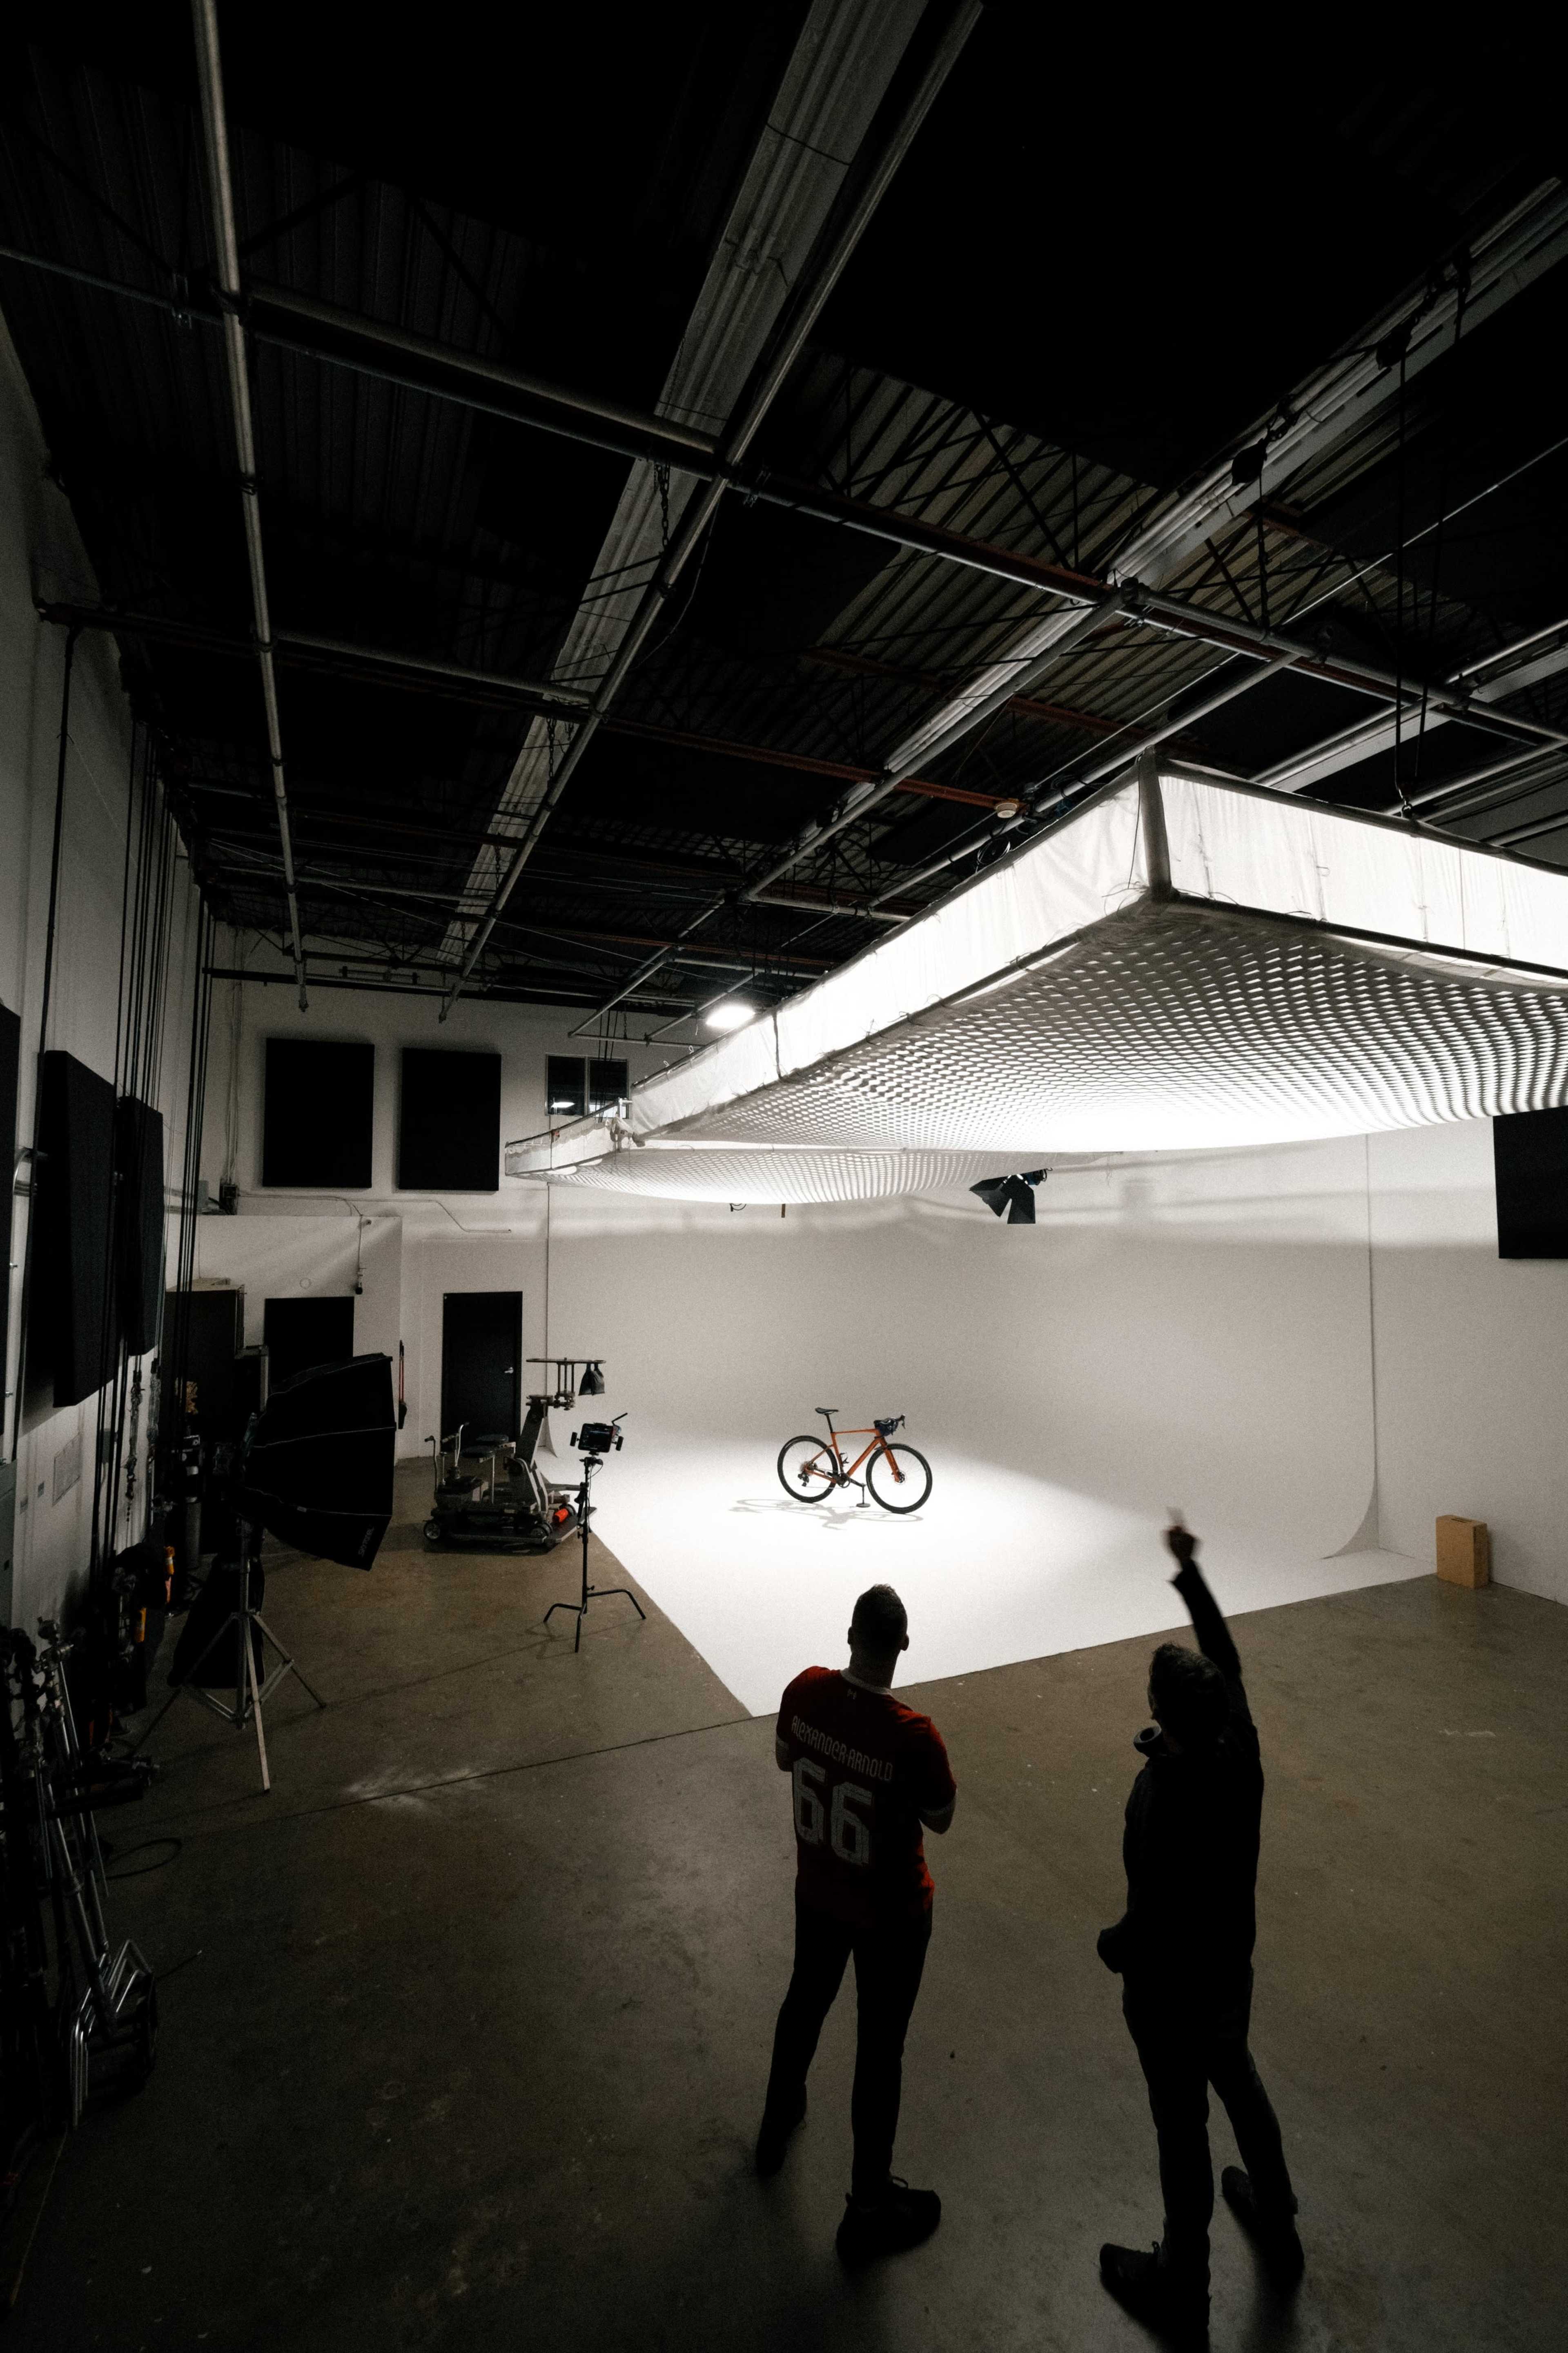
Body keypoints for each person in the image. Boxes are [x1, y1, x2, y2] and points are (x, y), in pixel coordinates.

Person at [1096, 1521, 1302, 2341]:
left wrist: (1113, 1945)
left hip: (1169, 1993)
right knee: (1239, 2079)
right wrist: (1192, 1575)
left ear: (1160, 1714)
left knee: (1182, 2131)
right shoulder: (1239, 1745)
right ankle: (1278, 2211)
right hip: (1227, 1972)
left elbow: (1151, 1917)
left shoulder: (1165, 1798)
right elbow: (1227, 1657)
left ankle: (1184, 2277)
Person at [757, 1583, 956, 2260]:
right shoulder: (914, 1735)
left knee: (804, 2002)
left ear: (849, 1635)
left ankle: (776, 2120)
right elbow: (941, 1816)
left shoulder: (806, 1691)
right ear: (903, 1645)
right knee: (878, 2051)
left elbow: (784, 1758)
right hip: (891, 1917)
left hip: (818, 1892)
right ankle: (868, 2204)